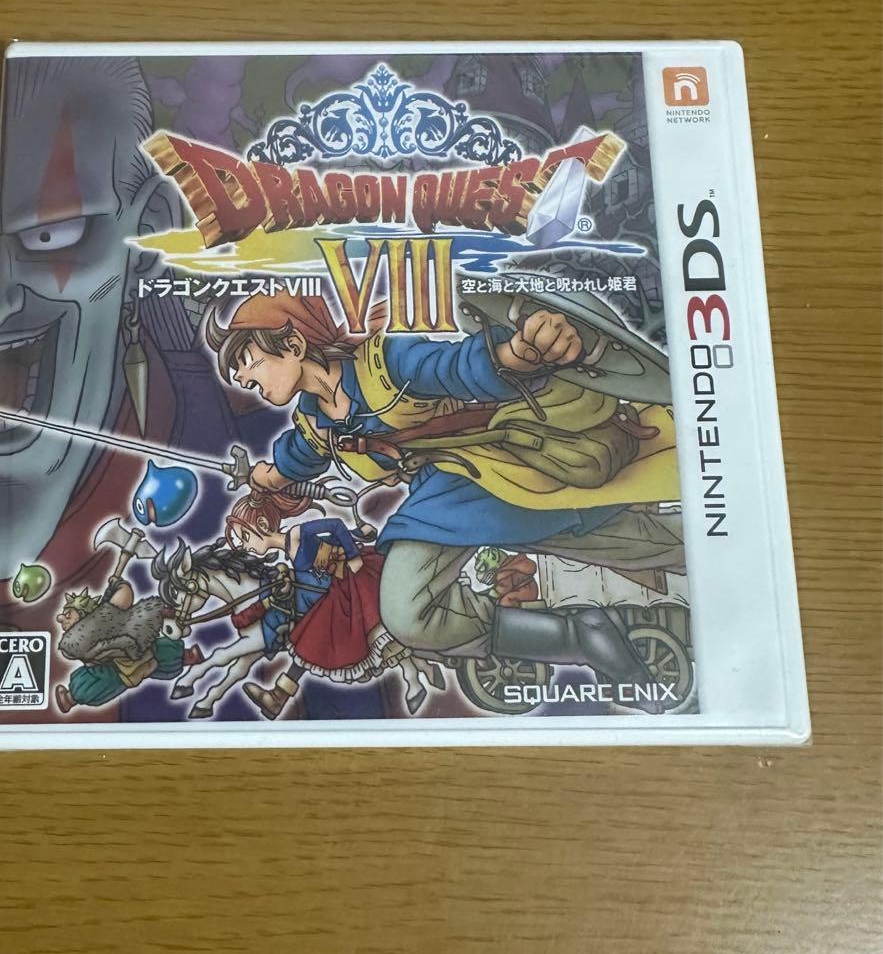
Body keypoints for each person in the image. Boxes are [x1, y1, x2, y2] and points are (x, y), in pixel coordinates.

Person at [204, 291, 683, 701]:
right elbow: (298, 456)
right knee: (642, 543)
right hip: (454, 498)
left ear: (293, 344)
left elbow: (452, 366)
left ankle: (585, 633)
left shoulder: (384, 364)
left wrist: (517, 353)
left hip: (482, 475)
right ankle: (583, 635)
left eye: (248, 362)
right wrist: (268, 477)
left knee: (408, 611)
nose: (243, 379)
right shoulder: (314, 419)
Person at [224, 489, 431, 719]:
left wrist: (353, 556)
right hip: (332, 593)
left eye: (245, 537)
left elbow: (335, 525)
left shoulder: (296, 535)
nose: (245, 547)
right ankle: (276, 698)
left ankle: (277, 697)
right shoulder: (288, 553)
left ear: (262, 524)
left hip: (350, 583)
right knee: (309, 639)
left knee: (315, 638)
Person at [53, 582, 203, 713]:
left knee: (157, 652)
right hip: (124, 668)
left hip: (127, 662)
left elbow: (112, 619)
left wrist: (113, 589)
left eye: (68, 615)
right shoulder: (84, 637)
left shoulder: (91, 629)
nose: (61, 618)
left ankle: (186, 655)